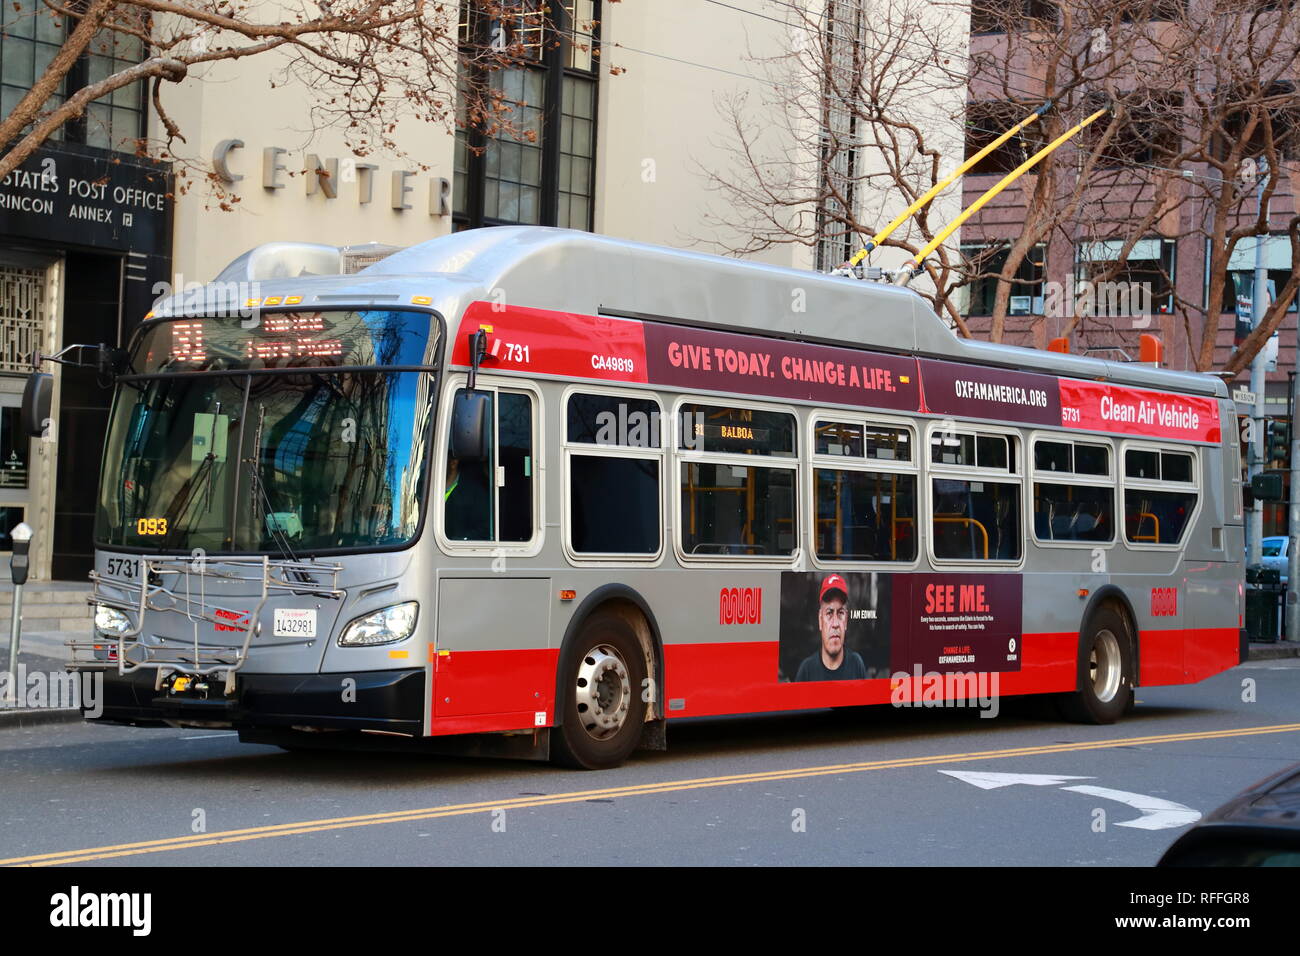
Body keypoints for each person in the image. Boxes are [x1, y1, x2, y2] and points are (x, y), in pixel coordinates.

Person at [795, 573, 867, 681]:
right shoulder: (807, 670)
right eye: (829, 613)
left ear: (846, 621)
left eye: (840, 613)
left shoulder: (856, 664)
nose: (835, 624)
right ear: (820, 621)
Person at [444, 454, 491, 540]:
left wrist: (459, 540)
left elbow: (485, 530)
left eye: (439, 459)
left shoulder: (475, 492)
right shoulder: (426, 488)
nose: (432, 466)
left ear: (454, 463)